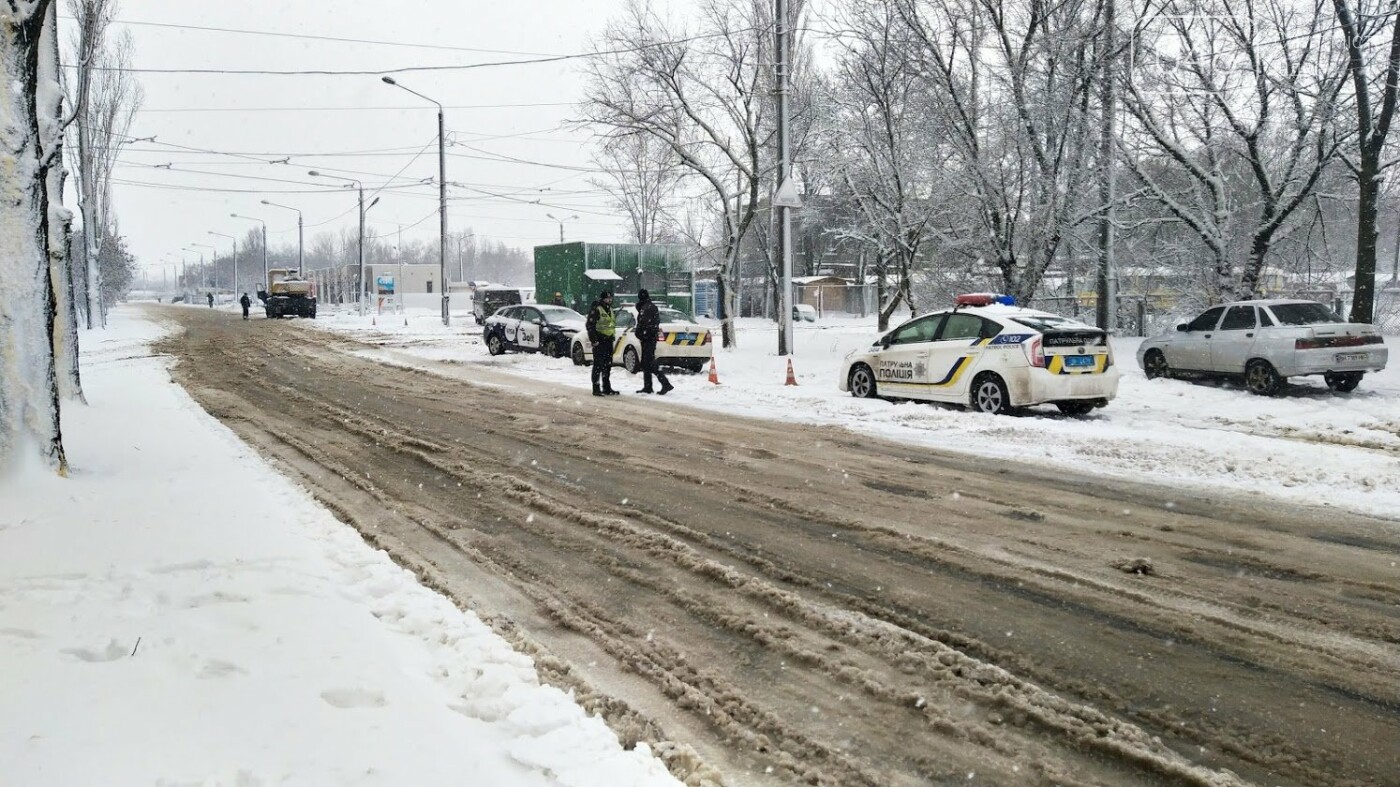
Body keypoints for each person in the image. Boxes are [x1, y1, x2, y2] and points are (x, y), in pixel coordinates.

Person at [633, 289, 673, 395]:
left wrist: (641, 334)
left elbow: (644, 324)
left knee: (649, 363)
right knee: (646, 363)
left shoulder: (646, 308)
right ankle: (648, 386)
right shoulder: (651, 307)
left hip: (648, 339)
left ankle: (665, 383)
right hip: (649, 338)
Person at [585, 290, 619, 397]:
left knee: (607, 365)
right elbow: (590, 326)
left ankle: (606, 387)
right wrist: (594, 341)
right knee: (598, 365)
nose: (610, 300)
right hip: (600, 341)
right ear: (603, 299)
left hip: (608, 341)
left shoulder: (610, 309)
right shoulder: (597, 309)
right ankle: (596, 388)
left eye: (610, 298)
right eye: (608, 298)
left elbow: (611, 324)